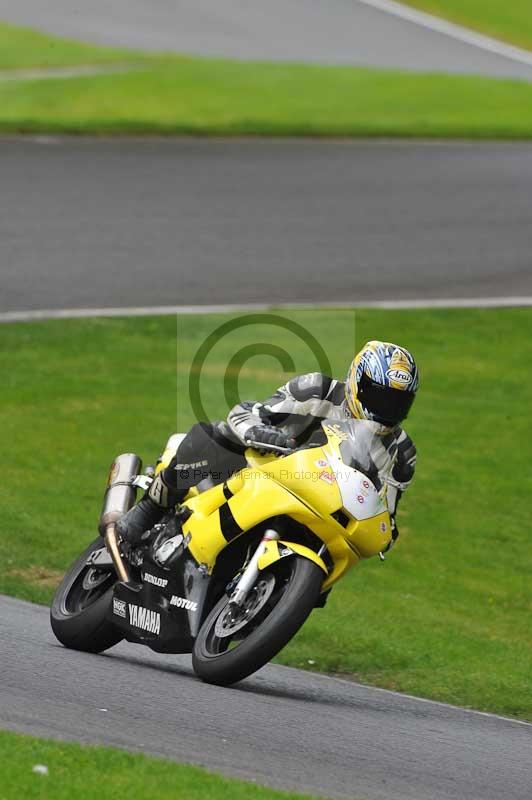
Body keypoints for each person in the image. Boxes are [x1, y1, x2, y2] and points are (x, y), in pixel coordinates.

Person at [117, 340, 419, 547]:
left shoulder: (401, 453)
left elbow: (385, 512)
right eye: (380, 397)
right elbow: (246, 413)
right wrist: (259, 432)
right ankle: (150, 510)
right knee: (210, 436)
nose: (387, 410)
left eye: (397, 403)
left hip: (319, 509)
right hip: (260, 470)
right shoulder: (317, 389)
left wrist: (382, 531)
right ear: (357, 381)